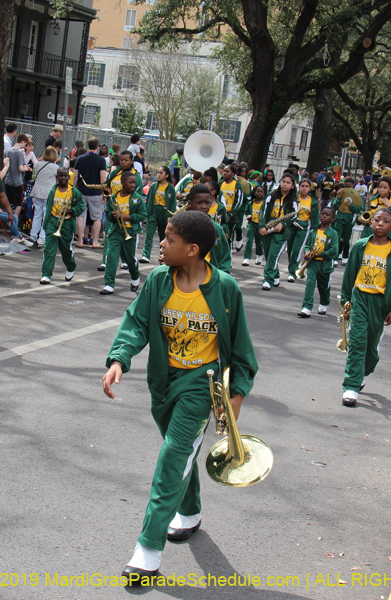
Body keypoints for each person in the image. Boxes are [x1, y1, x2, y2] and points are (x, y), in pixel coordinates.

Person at [102, 209, 257, 584]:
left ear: (192, 249)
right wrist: (119, 358)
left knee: (172, 457)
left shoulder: (224, 289)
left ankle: (148, 550)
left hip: (200, 388)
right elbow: (137, 322)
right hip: (163, 383)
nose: (161, 244)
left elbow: (241, 351)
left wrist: (237, 394)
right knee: (181, 454)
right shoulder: (157, 280)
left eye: (169, 239)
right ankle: (189, 511)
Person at [339, 208, 391, 407]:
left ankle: (363, 372)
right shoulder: (360, 245)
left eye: (385, 221)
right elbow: (349, 273)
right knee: (357, 341)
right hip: (360, 298)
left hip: (381, 303)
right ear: (370, 223)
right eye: (377, 220)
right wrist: (345, 301)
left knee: (371, 345)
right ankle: (351, 385)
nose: (380, 223)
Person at [101, 171, 145, 295]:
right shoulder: (114, 197)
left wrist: (129, 217)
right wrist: (112, 215)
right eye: (130, 182)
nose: (133, 185)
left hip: (130, 232)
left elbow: (143, 215)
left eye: (134, 183)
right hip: (116, 231)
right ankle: (109, 284)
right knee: (111, 257)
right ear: (122, 183)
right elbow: (108, 214)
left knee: (130, 259)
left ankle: (135, 276)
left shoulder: (137, 198)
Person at [39, 167, 84, 284]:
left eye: (65, 176)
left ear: (69, 177)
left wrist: (71, 210)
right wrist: (46, 222)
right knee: (49, 249)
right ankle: (46, 274)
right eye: (60, 176)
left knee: (65, 250)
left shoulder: (74, 192)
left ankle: (71, 266)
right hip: (53, 221)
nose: (63, 178)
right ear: (56, 177)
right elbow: (49, 207)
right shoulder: (53, 191)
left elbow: (81, 206)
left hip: (67, 223)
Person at [298, 207, 339, 317]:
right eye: (323, 214)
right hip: (313, 263)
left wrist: (320, 254)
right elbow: (307, 245)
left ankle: (324, 303)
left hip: (325, 265)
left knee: (324, 287)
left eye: (327, 215)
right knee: (310, 285)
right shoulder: (313, 231)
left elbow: (334, 251)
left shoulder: (333, 233)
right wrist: (307, 252)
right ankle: (306, 307)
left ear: (332, 219)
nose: (324, 216)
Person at [259, 173, 298, 290]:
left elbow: (294, 216)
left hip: (281, 233)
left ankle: (268, 279)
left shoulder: (293, 200)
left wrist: (283, 224)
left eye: (288, 183)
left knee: (273, 256)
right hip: (268, 227)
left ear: (292, 186)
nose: (285, 184)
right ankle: (275, 275)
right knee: (267, 253)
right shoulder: (271, 196)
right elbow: (263, 211)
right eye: (283, 181)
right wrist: (262, 226)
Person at [185, 184, 231, 273]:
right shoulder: (182, 227)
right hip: (187, 276)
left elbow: (224, 257)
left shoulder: (217, 229)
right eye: (199, 203)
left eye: (207, 203)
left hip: (210, 277)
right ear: (190, 204)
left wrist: (223, 278)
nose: (204, 206)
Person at [73, 137, 108, 250]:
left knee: (81, 216)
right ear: (98, 147)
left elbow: (75, 176)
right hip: (95, 192)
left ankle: (80, 240)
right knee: (97, 217)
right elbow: (103, 178)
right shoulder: (101, 160)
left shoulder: (80, 158)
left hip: (81, 191)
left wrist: (74, 189)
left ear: (88, 146)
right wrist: (104, 193)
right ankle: (95, 241)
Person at [286, 178, 320, 282]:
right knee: (290, 249)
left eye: (306, 186)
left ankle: (293, 272)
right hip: (292, 225)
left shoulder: (312, 201)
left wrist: (314, 231)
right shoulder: (294, 197)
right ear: (299, 187)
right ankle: (292, 266)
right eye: (302, 186)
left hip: (304, 227)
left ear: (310, 188)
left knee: (297, 250)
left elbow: (314, 218)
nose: (304, 188)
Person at [141, 166, 177, 264]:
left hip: (164, 211)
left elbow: (173, 203)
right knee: (149, 233)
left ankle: (163, 256)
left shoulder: (170, 188)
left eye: (161, 173)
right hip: (154, 211)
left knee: (163, 235)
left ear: (167, 175)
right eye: (158, 172)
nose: (158, 175)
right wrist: (148, 213)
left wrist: (170, 216)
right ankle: (145, 255)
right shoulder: (153, 186)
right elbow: (149, 200)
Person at [29, 146, 61, 248]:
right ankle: (42, 238)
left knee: (37, 215)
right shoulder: (55, 167)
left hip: (37, 191)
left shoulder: (38, 164)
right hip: (48, 193)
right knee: (46, 216)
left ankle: (33, 236)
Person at [2, 133, 32, 226]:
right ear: (22, 142)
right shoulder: (19, 152)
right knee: (19, 203)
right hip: (17, 182)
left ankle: (6, 219)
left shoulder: (8, 151)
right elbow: (20, 168)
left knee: (9, 202)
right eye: (25, 144)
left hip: (8, 180)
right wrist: (26, 168)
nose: (24, 146)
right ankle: (14, 221)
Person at [242, 185, 265, 267]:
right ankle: (247, 258)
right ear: (254, 193)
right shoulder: (251, 203)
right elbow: (247, 211)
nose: (259, 193)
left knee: (259, 242)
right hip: (252, 224)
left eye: (261, 192)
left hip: (260, 225)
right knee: (249, 240)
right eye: (258, 191)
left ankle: (259, 255)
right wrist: (248, 215)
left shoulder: (264, 204)